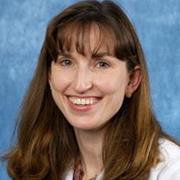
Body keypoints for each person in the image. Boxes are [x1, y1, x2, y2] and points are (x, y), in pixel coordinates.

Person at [4, 0, 180, 179]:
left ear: (132, 81)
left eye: (102, 64)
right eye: (66, 62)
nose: (81, 85)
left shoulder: (171, 170)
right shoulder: (40, 166)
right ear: (49, 75)